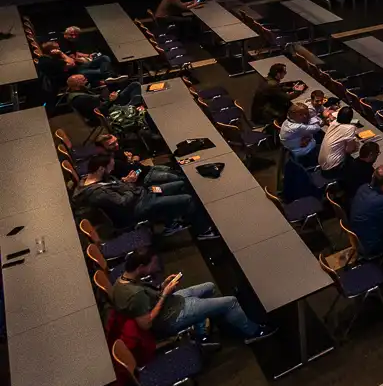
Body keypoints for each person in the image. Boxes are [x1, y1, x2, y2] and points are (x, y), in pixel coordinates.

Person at [110, 251, 274, 342]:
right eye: (152, 265)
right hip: (171, 317)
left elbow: (147, 298)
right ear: (140, 267)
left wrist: (161, 287)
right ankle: (253, 333)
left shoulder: (122, 280)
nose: (156, 268)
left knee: (209, 287)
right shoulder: (135, 295)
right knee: (231, 302)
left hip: (171, 302)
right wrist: (164, 295)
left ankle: (206, 328)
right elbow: (146, 324)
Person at [72, 155, 208, 236]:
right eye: (110, 167)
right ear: (101, 169)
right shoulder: (97, 193)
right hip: (139, 206)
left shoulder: (95, 178)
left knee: (181, 183)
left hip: (144, 193)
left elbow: (118, 188)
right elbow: (123, 202)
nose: (112, 169)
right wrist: (130, 184)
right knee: (187, 199)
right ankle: (202, 230)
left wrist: (125, 181)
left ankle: (171, 220)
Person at [97, 135, 184, 193]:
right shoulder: (110, 162)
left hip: (146, 169)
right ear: (102, 147)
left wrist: (133, 160)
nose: (116, 145)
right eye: (112, 144)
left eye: (116, 141)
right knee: (174, 177)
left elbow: (134, 151)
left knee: (172, 169)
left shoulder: (116, 151)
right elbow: (135, 172)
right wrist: (133, 162)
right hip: (144, 178)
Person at [62, 72, 143, 116]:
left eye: (85, 79)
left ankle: (135, 106)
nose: (87, 81)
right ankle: (135, 109)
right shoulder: (80, 99)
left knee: (135, 85)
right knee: (137, 99)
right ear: (76, 87)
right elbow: (100, 110)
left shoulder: (79, 91)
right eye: (84, 81)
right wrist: (111, 100)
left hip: (108, 104)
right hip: (109, 112)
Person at [41, 41, 119, 85]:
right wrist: (61, 53)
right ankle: (111, 77)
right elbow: (72, 63)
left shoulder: (52, 57)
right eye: (58, 48)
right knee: (101, 71)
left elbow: (72, 60)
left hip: (78, 68)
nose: (59, 49)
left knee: (104, 58)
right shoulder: (49, 61)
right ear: (52, 50)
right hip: (73, 76)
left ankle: (109, 76)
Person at [317, 106, 362, 180]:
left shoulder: (334, 122)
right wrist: (355, 143)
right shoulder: (350, 128)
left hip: (322, 161)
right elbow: (349, 150)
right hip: (332, 167)